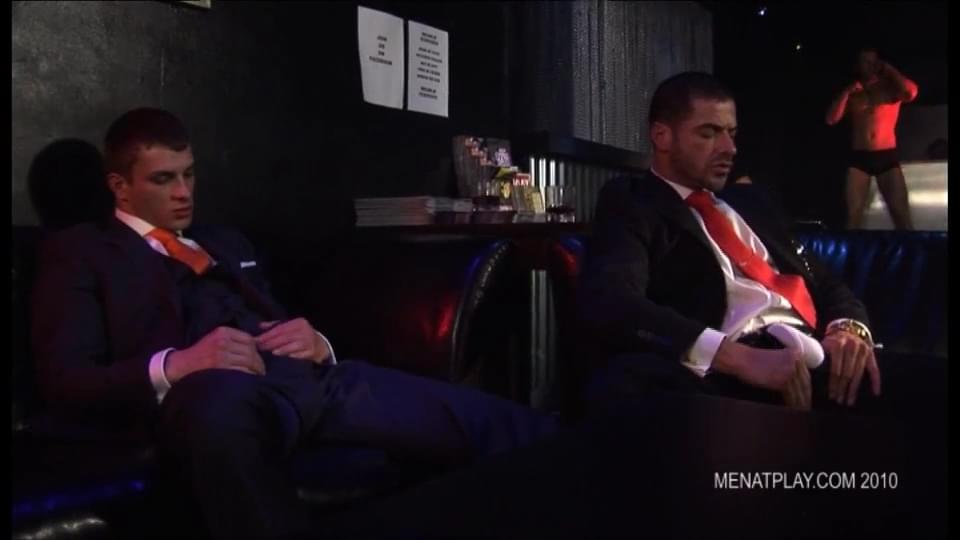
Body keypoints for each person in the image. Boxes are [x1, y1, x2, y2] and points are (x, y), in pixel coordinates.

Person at [30, 108, 560, 539]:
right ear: (120, 187)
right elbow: (66, 381)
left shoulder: (223, 240)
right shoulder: (80, 253)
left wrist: (318, 341)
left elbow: (277, 314)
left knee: (494, 424)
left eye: (189, 174)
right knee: (219, 415)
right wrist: (177, 365)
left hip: (308, 380)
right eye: (163, 179)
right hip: (211, 391)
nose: (184, 192)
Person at [577, 72, 942, 419]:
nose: (729, 148)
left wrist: (848, 329)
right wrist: (735, 357)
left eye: (732, 134)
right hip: (732, 371)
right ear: (662, 136)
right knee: (626, 381)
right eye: (709, 133)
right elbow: (611, 299)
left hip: (822, 359)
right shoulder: (634, 201)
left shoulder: (751, 204)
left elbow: (825, 282)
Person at [825, 47, 919, 230]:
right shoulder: (854, 92)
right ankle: (852, 249)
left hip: (886, 156)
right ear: (857, 65)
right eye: (865, 62)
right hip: (859, 158)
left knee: (900, 215)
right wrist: (847, 92)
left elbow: (910, 92)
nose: (869, 65)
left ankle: (909, 248)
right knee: (853, 217)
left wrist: (889, 70)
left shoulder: (890, 88)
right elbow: (831, 119)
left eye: (872, 62)